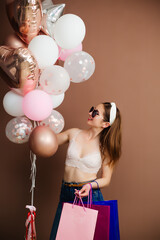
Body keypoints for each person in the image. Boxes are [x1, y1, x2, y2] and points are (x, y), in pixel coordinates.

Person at [49, 102, 122, 240]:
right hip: (66, 192)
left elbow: (106, 179)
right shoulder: (73, 133)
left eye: (95, 113)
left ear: (105, 124)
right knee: (58, 236)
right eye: (91, 110)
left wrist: (89, 186)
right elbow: (49, 141)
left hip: (88, 195)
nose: (90, 113)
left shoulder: (106, 148)